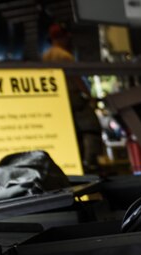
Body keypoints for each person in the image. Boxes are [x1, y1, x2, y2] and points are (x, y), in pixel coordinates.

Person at [42, 23, 103, 173]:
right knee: (91, 128)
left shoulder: (45, 56)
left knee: (73, 134)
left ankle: (77, 165)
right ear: (61, 38)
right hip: (73, 99)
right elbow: (76, 79)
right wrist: (89, 97)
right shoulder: (64, 55)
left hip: (56, 102)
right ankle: (90, 163)